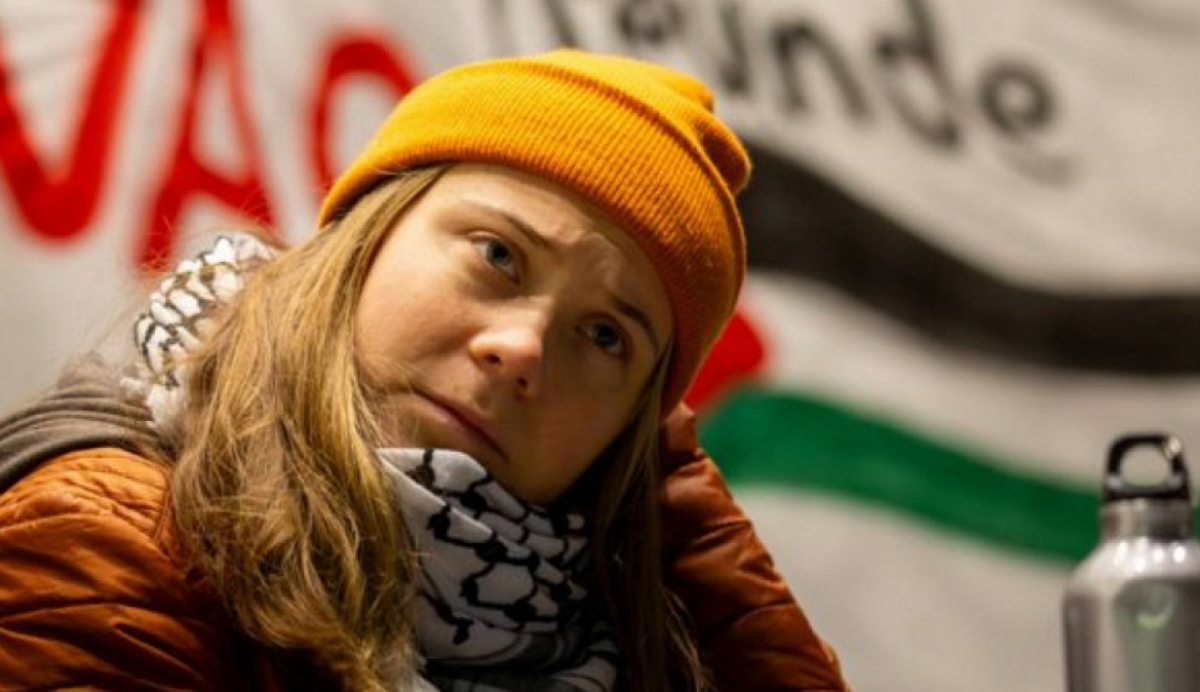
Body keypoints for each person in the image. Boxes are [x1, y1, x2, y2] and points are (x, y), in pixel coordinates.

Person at [0, 50, 847, 692]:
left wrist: (695, 543)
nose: (523, 349)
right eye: (498, 255)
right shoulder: (116, 546)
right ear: (367, 237)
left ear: (634, 427)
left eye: (604, 336)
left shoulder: (611, 634)